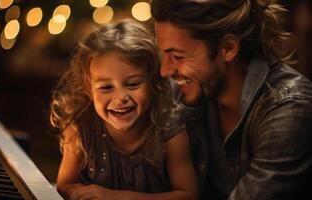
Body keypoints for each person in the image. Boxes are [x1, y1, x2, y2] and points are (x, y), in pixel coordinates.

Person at [150, 0, 312, 199]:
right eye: (163, 54)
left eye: (177, 56)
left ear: (228, 48)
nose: (165, 71)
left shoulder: (288, 108)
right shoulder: (186, 92)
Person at [50, 19, 197, 200]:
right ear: (89, 89)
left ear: (153, 83)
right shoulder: (81, 129)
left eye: (133, 84)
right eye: (106, 87)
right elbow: (65, 185)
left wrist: (117, 197)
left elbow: (188, 195)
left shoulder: (169, 131)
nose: (120, 98)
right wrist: (82, 194)